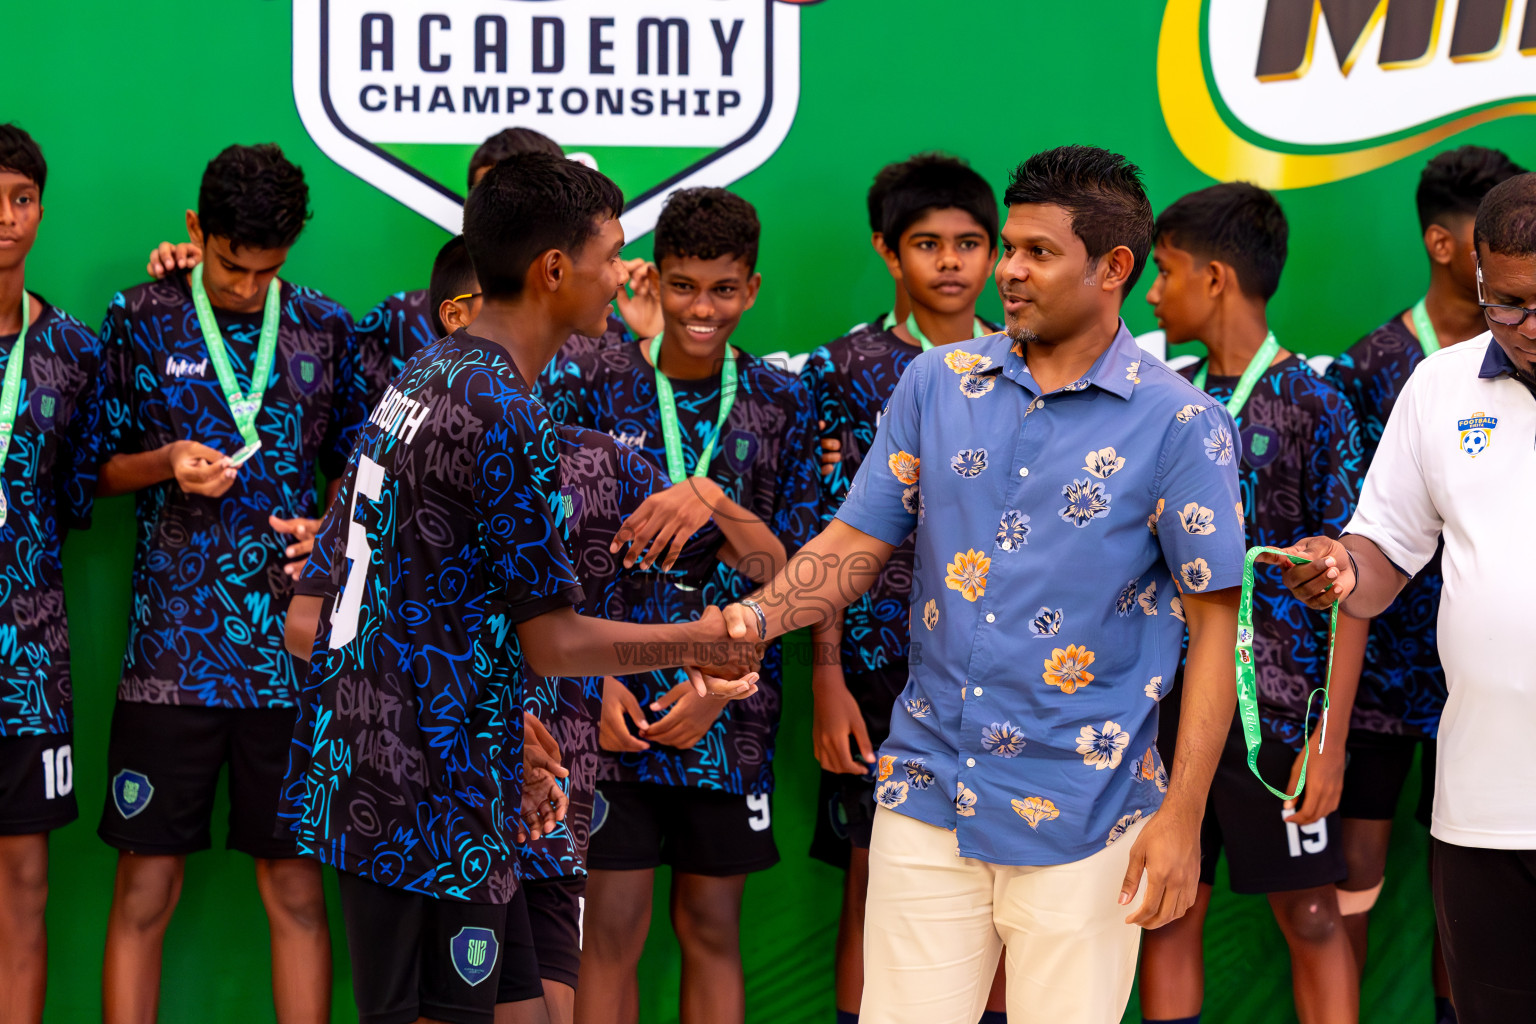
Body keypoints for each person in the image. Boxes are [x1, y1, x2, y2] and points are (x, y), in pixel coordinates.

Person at [716, 145, 1245, 1024]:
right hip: (927, 793)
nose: (1008, 271)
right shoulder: (936, 381)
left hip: (1091, 812)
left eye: (1038, 253)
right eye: (1010, 247)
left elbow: (1216, 632)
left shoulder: (1183, 424)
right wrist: (744, 622)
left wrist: (1183, 814)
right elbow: (853, 544)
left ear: (1114, 268)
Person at [278, 153, 761, 1024]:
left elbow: (390, 606)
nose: (623, 276)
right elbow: (556, 641)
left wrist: (505, 718)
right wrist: (703, 641)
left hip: (428, 767)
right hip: (421, 790)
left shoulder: (429, 378)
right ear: (553, 270)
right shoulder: (497, 408)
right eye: (612, 254)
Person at [94, 143, 368, 1023]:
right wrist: (166, 463)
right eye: (228, 264)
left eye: (267, 270)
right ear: (193, 232)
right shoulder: (140, 316)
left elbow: (364, 473)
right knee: (145, 891)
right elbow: (91, 468)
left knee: (295, 892)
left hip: (291, 662)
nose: (247, 287)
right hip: (168, 660)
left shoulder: (326, 327)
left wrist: (330, 526)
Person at [536, 186, 819, 1024]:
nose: (703, 308)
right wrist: (597, 688)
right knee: (610, 926)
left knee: (710, 924)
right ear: (652, 282)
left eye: (724, 289)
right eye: (685, 286)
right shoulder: (590, 378)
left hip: (730, 709)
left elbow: (796, 575)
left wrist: (713, 498)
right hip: (608, 703)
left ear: (753, 289)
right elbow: (549, 551)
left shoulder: (781, 400)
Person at [1265, 170, 1536, 1024]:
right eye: (1512, 305)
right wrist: (1343, 564)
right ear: (1482, 280)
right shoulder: (1439, 389)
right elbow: (1383, 550)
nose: (1532, 329)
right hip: (1488, 804)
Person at [1137, 182, 1369, 1024]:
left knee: (1312, 912)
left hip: (1279, 715)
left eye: (1164, 272)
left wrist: (1330, 741)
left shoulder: (1317, 402)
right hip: (1164, 703)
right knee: (1167, 908)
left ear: (1216, 277)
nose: (1152, 294)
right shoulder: (1160, 399)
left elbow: (1353, 592)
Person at [797, 153, 1007, 1024]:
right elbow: (826, 531)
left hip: (1009, 666)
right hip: (882, 664)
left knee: (1005, 885)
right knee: (876, 880)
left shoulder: (1030, 360)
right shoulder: (843, 369)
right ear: (890, 252)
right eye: (928, 244)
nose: (951, 262)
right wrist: (827, 674)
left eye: (969, 243)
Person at [144, 127, 661, 406]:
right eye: (489, 197)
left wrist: (655, 349)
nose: (502, 214)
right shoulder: (400, 322)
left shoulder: (606, 325)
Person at [0, 124, 106, 1023]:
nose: (5, 219)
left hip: (28, 665)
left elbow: (77, 494)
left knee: (23, 885)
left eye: (22, 199)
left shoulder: (71, 351)